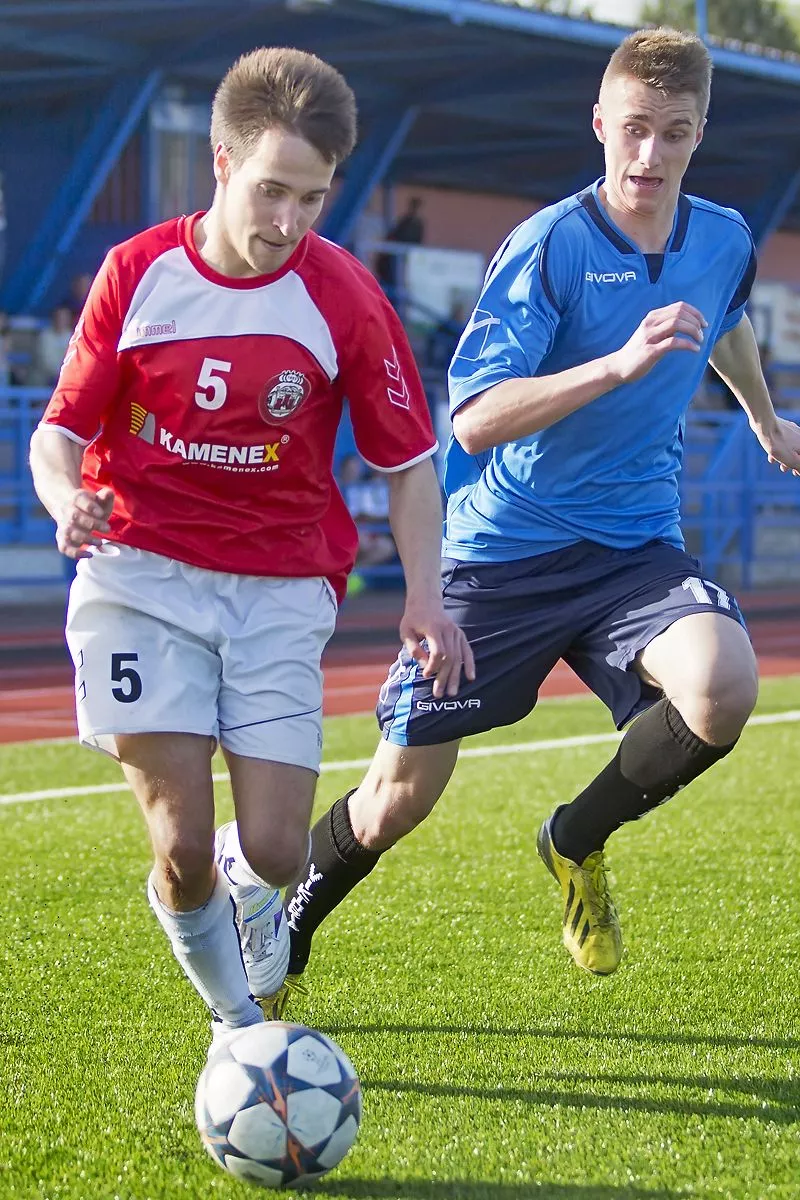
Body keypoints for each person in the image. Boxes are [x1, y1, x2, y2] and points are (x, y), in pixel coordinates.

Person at [281, 27, 800, 990]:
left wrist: (764, 417)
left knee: (722, 685)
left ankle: (574, 839)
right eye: (634, 129)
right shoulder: (550, 246)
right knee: (398, 798)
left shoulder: (724, 238)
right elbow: (476, 416)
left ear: (699, 135)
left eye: (674, 133)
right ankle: (283, 930)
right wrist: (616, 366)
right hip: (503, 551)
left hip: (634, 548)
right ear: (600, 123)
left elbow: (726, 318)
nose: (650, 154)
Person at [28, 46, 472, 1051]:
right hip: (138, 577)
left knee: (274, 850)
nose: (289, 221)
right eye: (272, 190)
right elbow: (58, 433)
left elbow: (410, 466)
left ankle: (249, 884)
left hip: (279, 588)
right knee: (179, 845)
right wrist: (65, 498)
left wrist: (425, 598)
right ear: (221, 162)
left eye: (312, 198)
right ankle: (239, 1032)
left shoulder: (346, 296)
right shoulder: (136, 273)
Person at [338, 453, 397, 569]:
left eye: (356, 468)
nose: (353, 471)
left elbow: (370, 514)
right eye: (350, 468)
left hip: (369, 530)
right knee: (358, 542)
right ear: (343, 469)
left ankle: (354, 572)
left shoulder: (366, 486)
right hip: (349, 529)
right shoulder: (339, 486)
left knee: (386, 547)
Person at [374, 196, 425, 295]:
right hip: (395, 258)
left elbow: (418, 241)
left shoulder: (418, 224)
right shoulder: (404, 221)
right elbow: (394, 236)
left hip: (408, 258)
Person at [36, 304, 76, 386]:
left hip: (68, 377)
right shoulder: (45, 336)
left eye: (64, 318)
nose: (61, 320)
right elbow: (45, 360)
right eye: (59, 317)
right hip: (46, 376)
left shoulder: (74, 337)